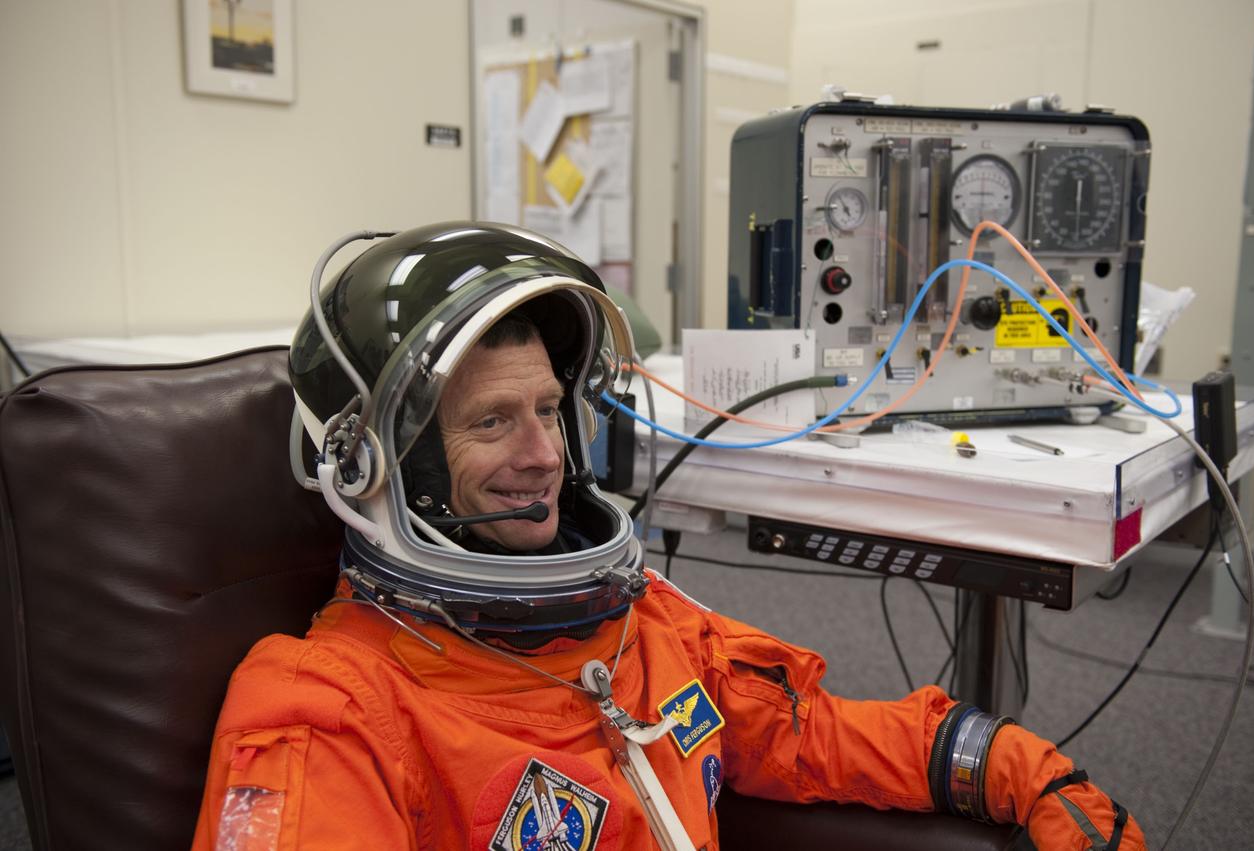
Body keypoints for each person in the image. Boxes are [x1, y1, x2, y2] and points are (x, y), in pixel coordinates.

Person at [191, 223, 1144, 850]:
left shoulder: (643, 628)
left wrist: (1014, 762)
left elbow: (813, 736)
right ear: (376, 465)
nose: (545, 456)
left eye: (549, 412)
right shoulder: (326, 711)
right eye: (490, 423)